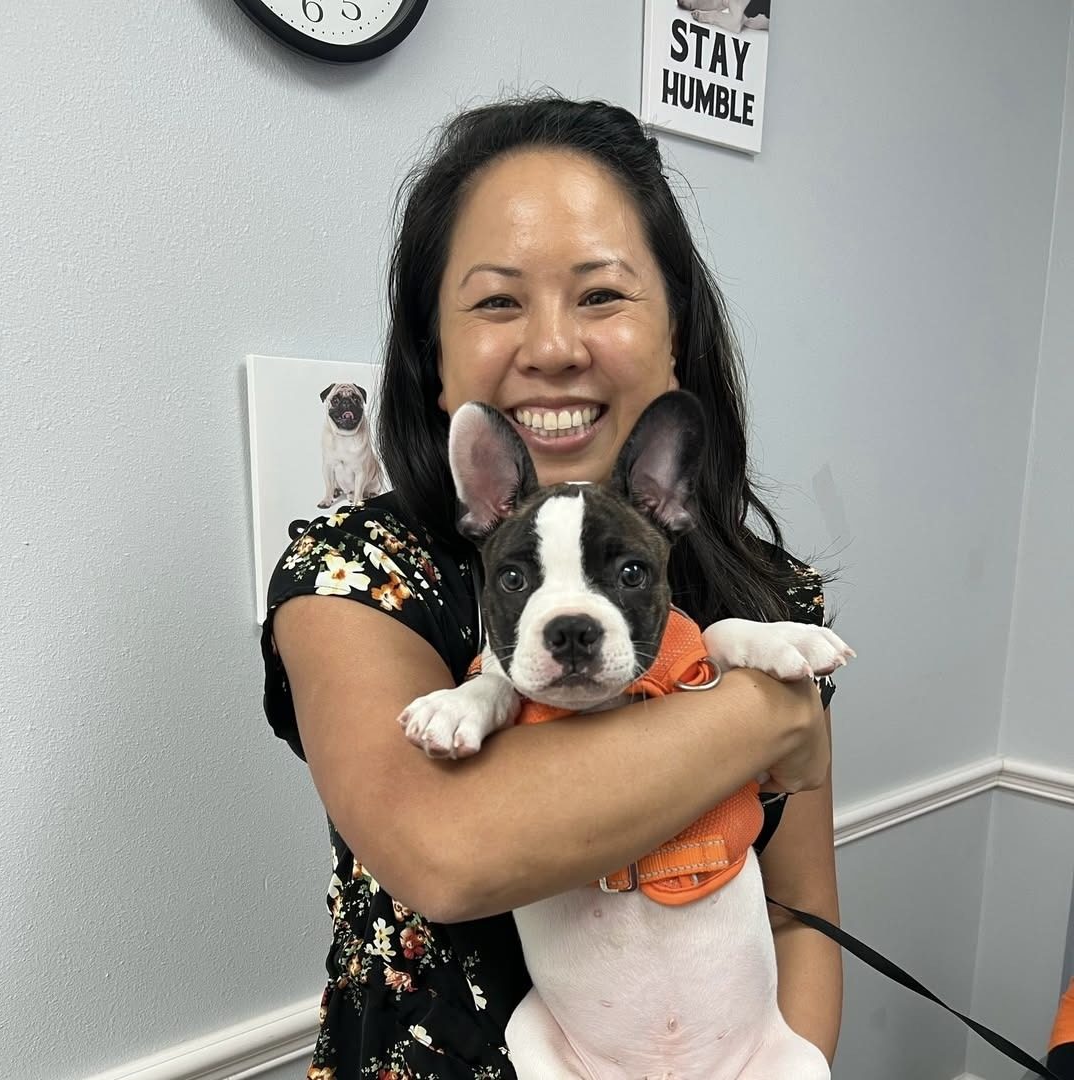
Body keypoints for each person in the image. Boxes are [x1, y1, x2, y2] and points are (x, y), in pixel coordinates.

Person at [262, 94, 842, 1080]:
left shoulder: (770, 592)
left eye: (602, 295)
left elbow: (804, 918)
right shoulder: (353, 569)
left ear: (675, 334)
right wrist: (766, 717)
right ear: (432, 357)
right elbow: (448, 849)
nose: (553, 344)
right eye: (496, 301)